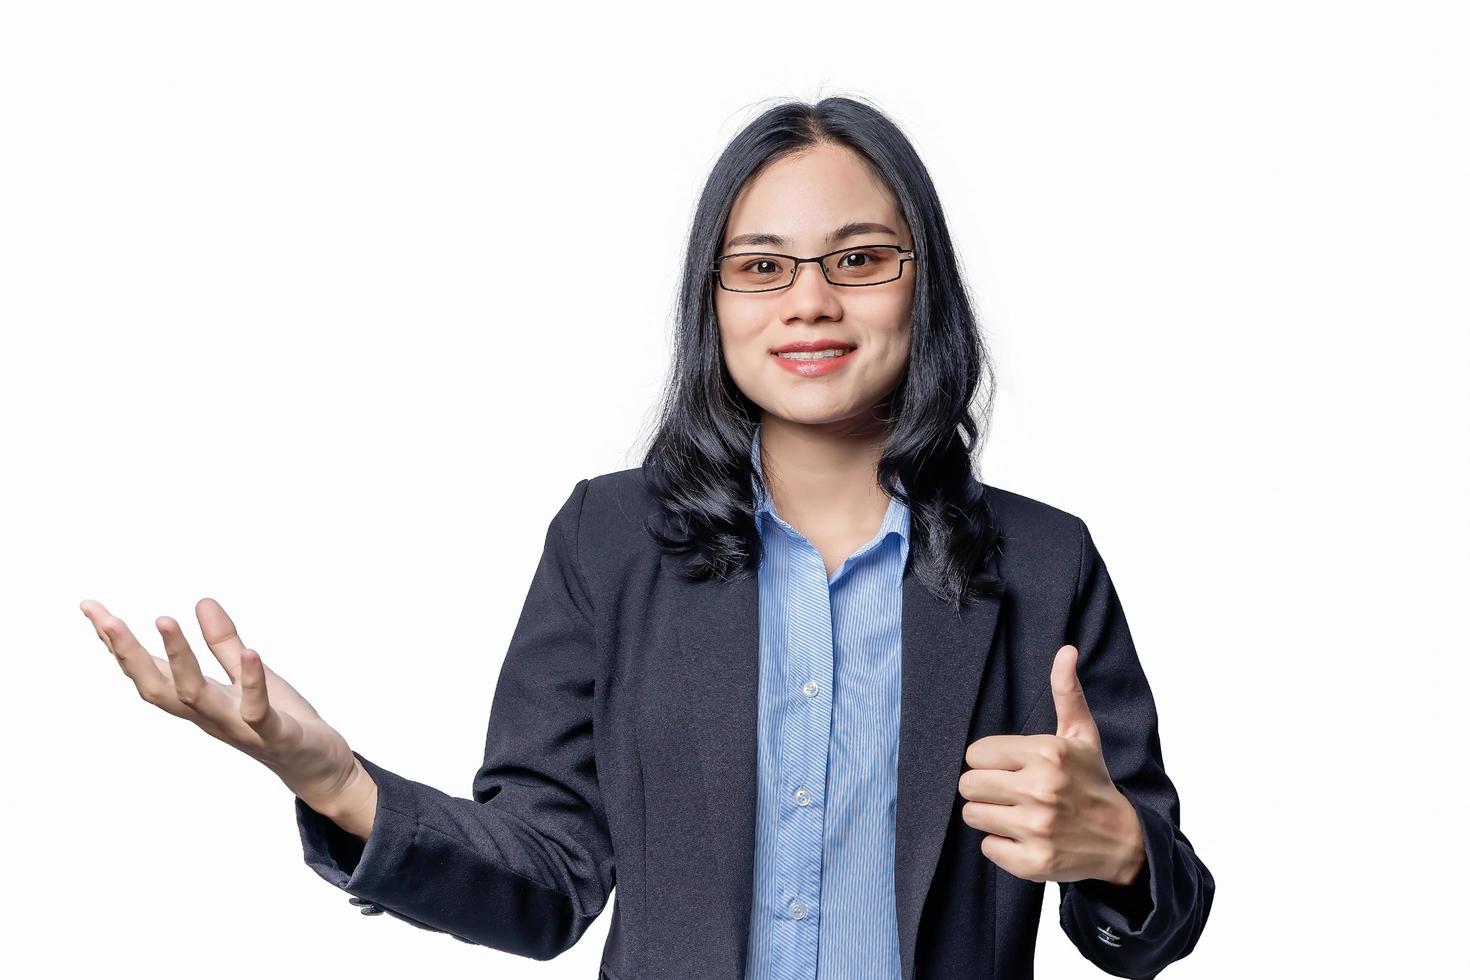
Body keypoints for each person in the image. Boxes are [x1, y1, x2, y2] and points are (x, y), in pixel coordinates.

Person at [80, 96, 1214, 980]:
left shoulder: (1045, 562)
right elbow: (546, 880)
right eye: (762, 266)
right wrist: (336, 779)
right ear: (712, 301)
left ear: (924, 288)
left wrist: (1116, 847)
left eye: (860, 258)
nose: (809, 301)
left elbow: (1161, 913)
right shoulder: (609, 541)